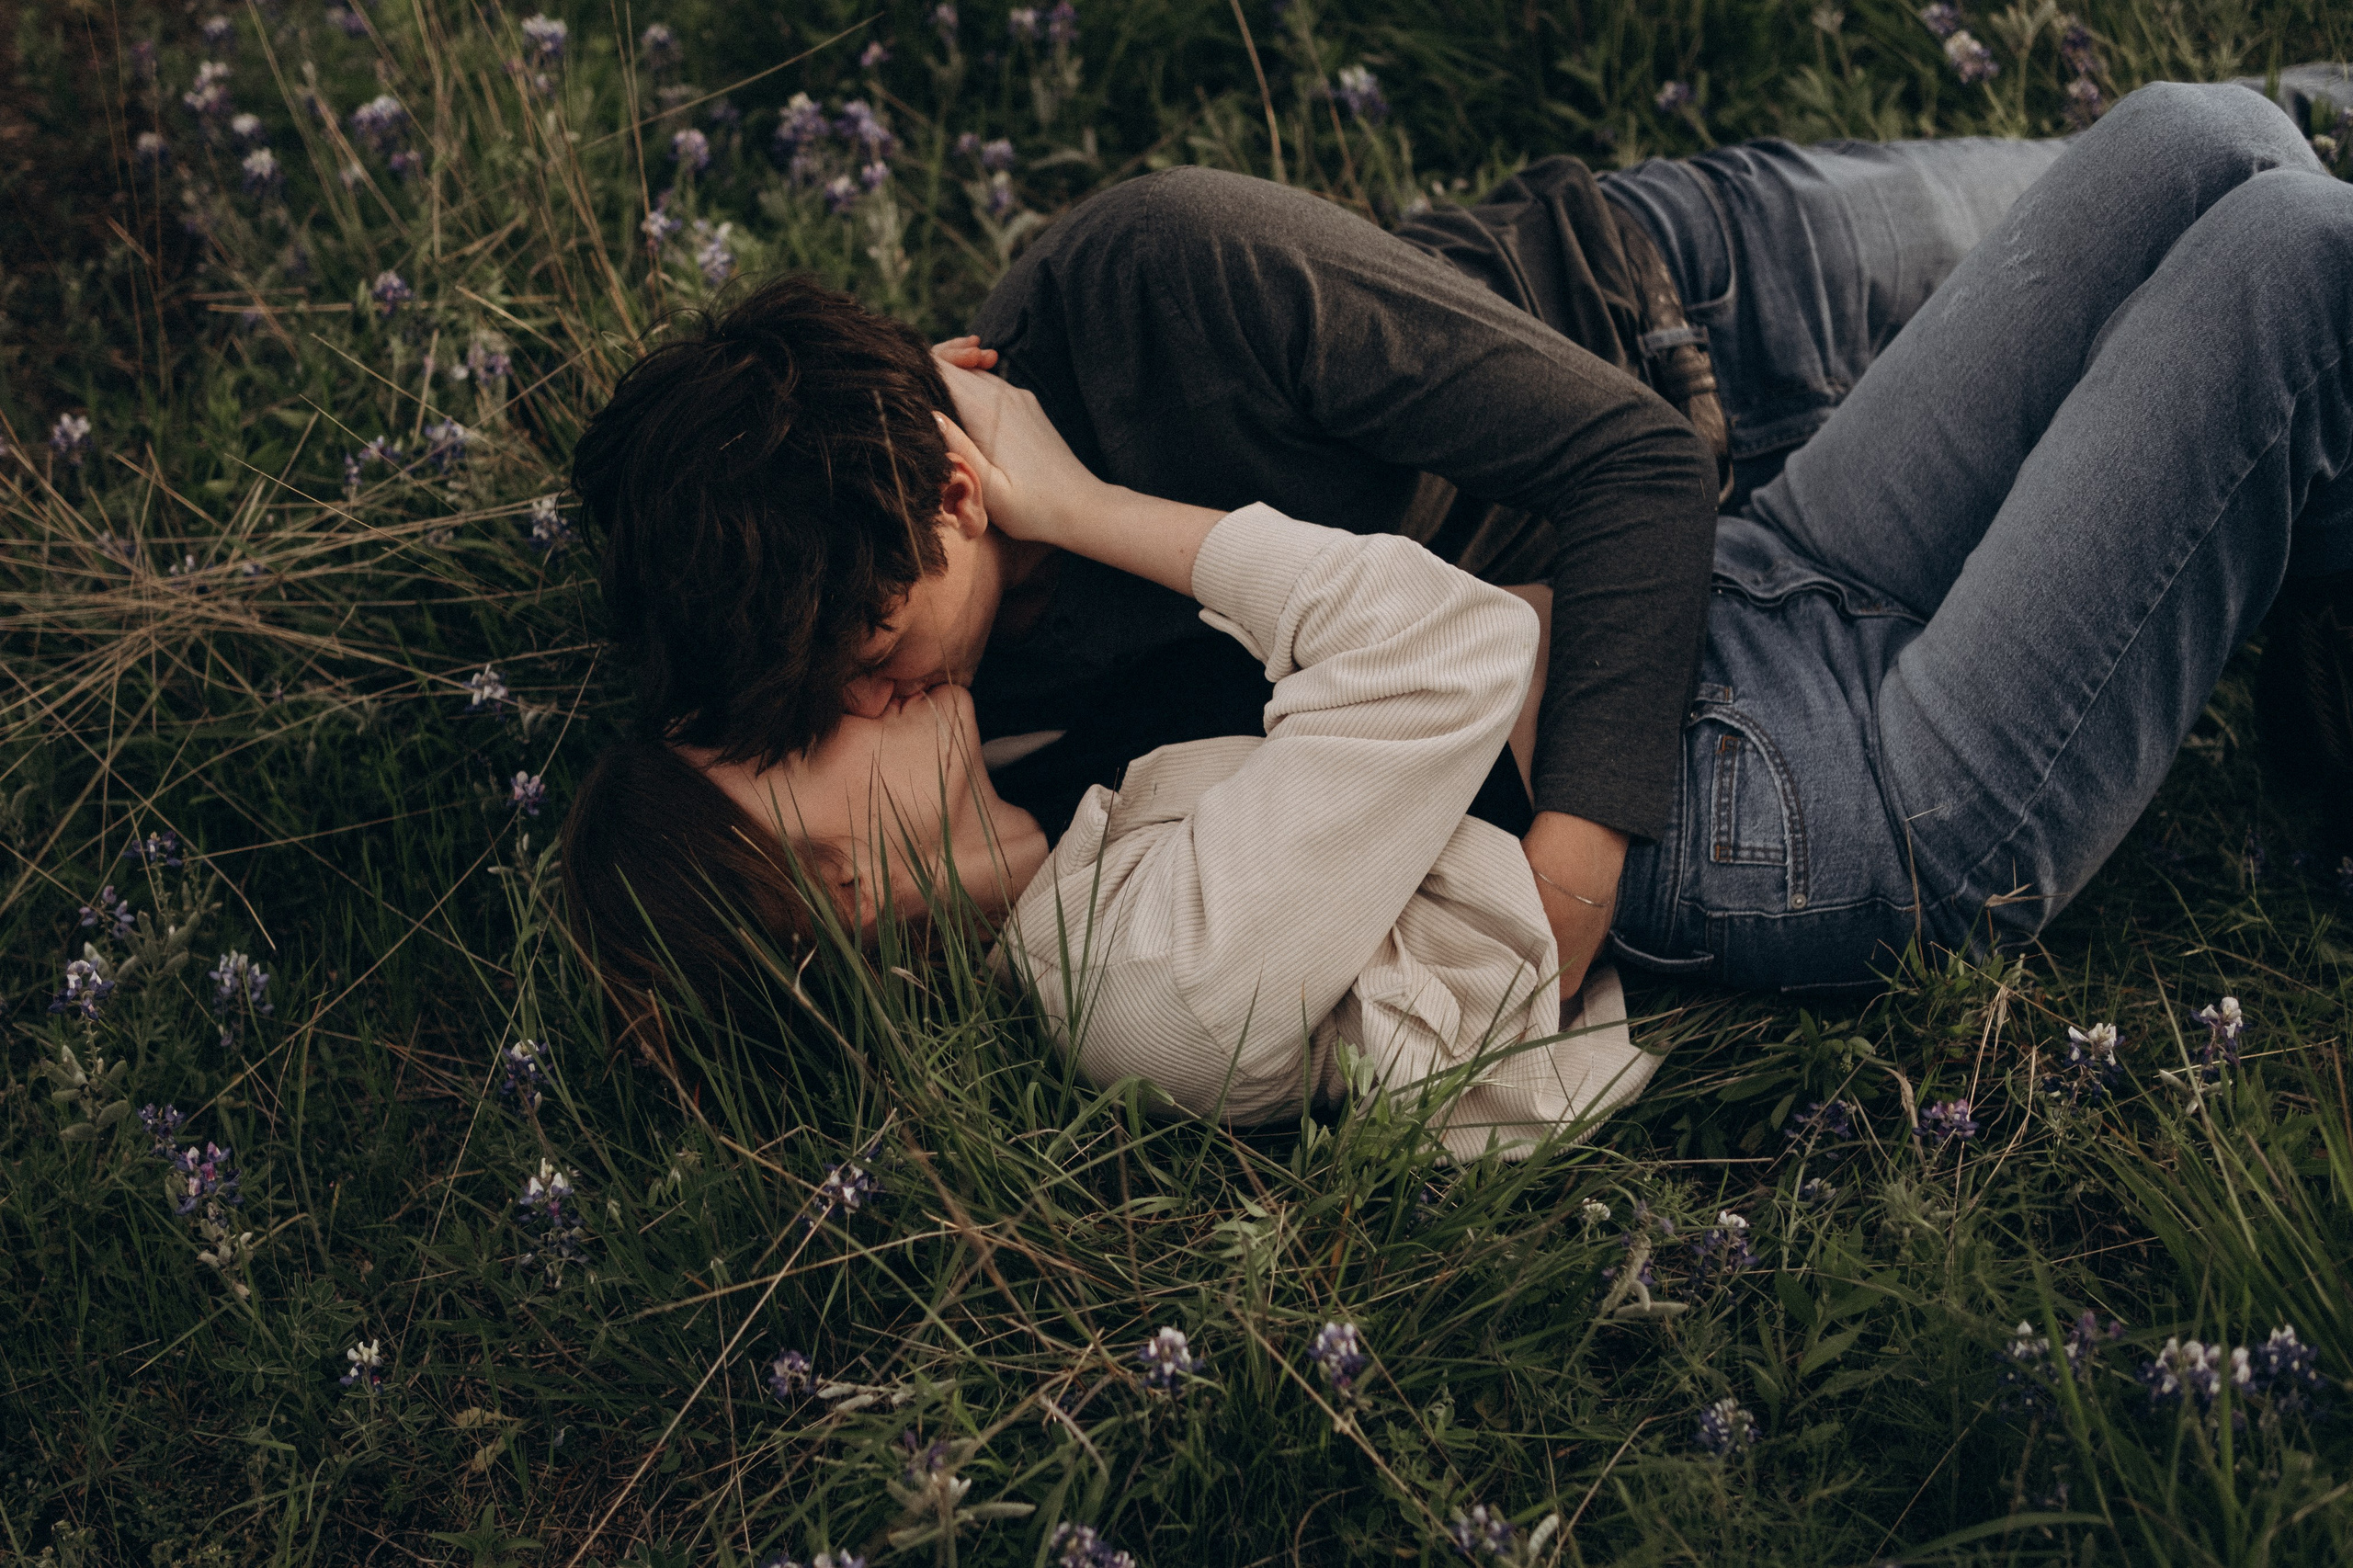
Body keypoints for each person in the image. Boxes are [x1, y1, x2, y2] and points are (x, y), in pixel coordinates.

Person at [563, 79, 2353, 1150]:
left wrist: (1082, 512)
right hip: (1775, 751)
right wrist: (1566, 897)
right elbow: (1436, 665)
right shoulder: (1098, 937)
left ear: (967, 460)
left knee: (2211, 139)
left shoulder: (1157, 275)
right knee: (2284, 263)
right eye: (833, 719)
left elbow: (1610, 485)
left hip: (1692, 339)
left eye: (864, 673)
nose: (881, 698)